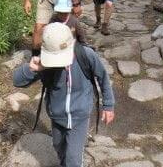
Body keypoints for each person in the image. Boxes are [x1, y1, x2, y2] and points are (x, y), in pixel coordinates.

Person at [13, 23, 115, 167]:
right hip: (57, 116)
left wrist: (108, 105)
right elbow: (17, 81)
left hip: (79, 117)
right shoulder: (47, 62)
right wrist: (32, 69)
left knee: (73, 159)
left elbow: (103, 77)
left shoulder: (86, 55)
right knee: (58, 147)